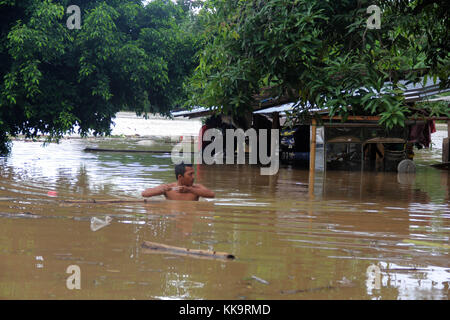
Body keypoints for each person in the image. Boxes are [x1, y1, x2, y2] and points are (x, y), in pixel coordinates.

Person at [141, 162, 215, 201]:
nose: (193, 177)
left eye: (193, 174)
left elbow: (212, 195)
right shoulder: (168, 188)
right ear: (180, 177)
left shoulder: (196, 188)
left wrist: (189, 189)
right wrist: (162, 190)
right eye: (190, 174)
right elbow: (145, 194)